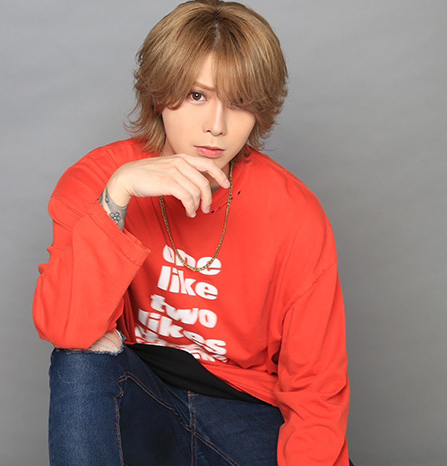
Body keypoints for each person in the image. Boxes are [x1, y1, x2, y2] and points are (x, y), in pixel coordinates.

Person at [33, 1, 351, 464]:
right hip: (143, 398)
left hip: (245, 410)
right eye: (197, 96)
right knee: (81, 355)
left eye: (238, 102)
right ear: (160, 93)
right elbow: (66, 327)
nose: (216, 127)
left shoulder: (294, 213)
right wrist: (118, 194)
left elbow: (316, 389)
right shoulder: (98, 180)